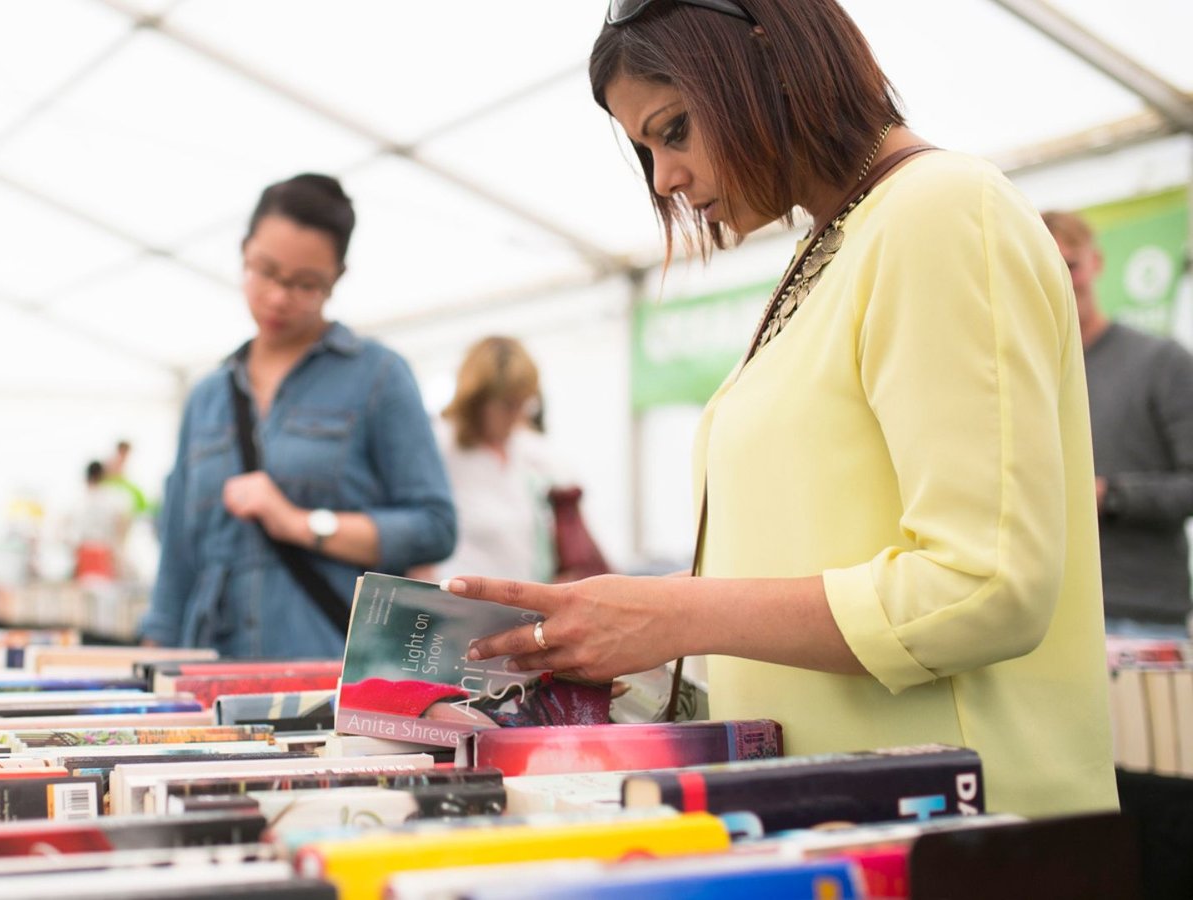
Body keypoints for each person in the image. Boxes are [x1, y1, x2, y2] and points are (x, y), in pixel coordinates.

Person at [456, 0, 1115, 818]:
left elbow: (984, 586)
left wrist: (674, 614)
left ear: (768, 62)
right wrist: (625, 641)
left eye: (673, 129)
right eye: (646, 149)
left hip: (962, 831)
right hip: (843, 816)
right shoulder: (836, 245)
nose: (664, 177)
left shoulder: (940, 210)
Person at [141, 173, 456, 658]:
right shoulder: (207, 396)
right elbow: (177, 561)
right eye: (264, 271)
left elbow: (434, 526)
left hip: (326, 678)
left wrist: (301, 522)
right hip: (209, 676)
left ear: (338, 277)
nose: (278, 297)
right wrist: (154, 663)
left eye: (306, 284)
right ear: (243, 249)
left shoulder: (378, 377)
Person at [1043, 210, 1193, 639]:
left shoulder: (1162, 362)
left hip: (1141, 614)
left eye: (1070, 264)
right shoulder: (1029, 374)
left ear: (1096, 263)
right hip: (1051, 615)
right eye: (1047, 268)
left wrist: (1109, 496)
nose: (1062, 280)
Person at [430, 337, 561, 584]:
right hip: (466, 605)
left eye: (524, 403)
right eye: (508, 405)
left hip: (520, 603)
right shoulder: (441, 445)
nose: (518, 415)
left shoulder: (524, 448)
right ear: (477, 400)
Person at [75, 459, 129, 582]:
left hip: (85, 551)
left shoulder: (79, 499)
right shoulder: (113, 498)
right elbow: (122, 523)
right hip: (104, 552)